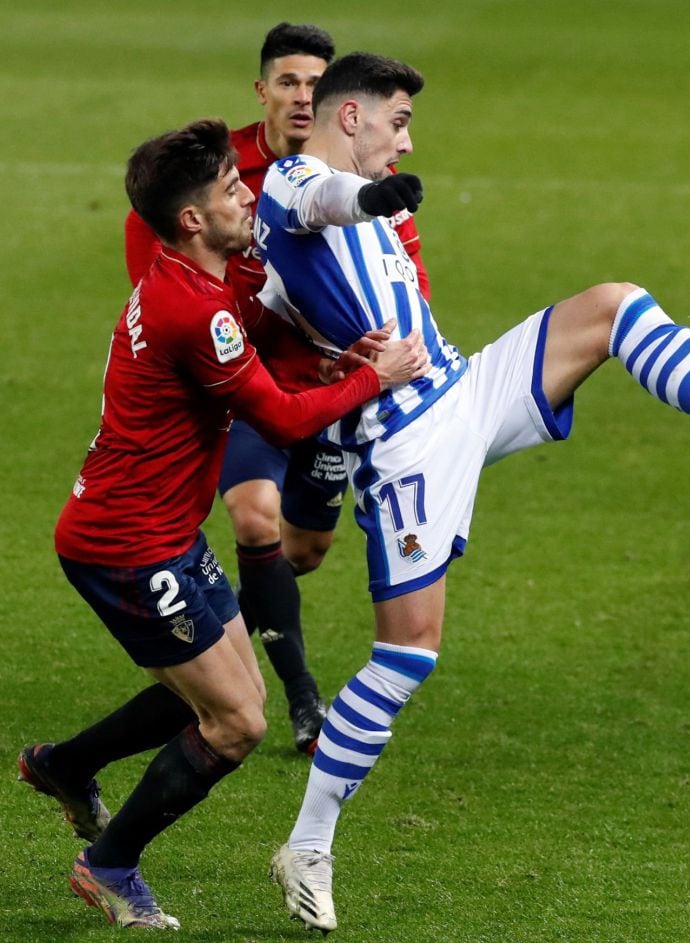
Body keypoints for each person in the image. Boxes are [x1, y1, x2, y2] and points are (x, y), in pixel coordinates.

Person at [256, 52, 690, 934]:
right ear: (349, 118)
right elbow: (321, 203)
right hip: (404, 443)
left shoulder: (353, 189)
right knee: (408, 657)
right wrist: (375, 201)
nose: (408, 139)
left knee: (615, 305)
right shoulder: (295, 181)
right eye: (396, 121)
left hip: (461, 389)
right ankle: (307, 842)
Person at [18, 117, 429, 930]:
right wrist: (372, 377)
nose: (249, 195)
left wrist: (336, 359)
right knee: (238, 720)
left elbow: (265, 331)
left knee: (209, 693)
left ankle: (64, 765)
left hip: (160, 532)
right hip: (126, 547)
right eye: (232, 190)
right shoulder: (190, 308)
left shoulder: (205, 278)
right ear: (193, 221)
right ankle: (108, 866)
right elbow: (275, 417)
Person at [124, 22, 434, 754]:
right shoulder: (208, 176)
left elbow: (407, 282)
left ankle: (215, 649)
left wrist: (362, 357)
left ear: (338, 104)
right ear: (263, 90)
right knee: (256, 519)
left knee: (303, 549)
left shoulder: (371, 177)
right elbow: (172, 291)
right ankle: (300, 697)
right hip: (249, 390)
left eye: (315, 86)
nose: (302, 97)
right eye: (288, 82)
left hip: (333, 390)